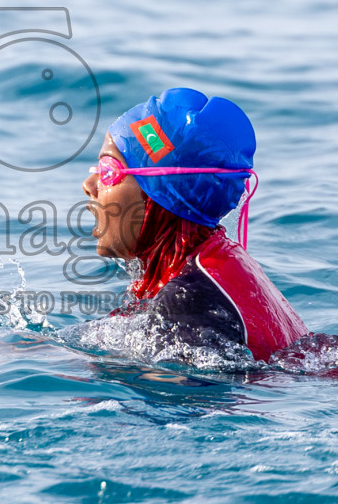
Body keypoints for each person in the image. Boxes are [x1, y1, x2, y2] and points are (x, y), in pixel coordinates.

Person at [80, 88, 308, 363]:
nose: (89, 185)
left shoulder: (186, 303)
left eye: (108, 172)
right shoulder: (222, 262)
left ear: (159, 195)